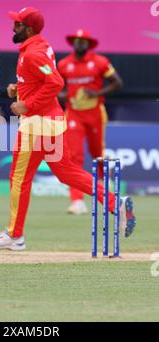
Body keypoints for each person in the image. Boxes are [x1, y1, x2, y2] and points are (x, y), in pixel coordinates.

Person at [0, 7, 135, 251]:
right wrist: (17, 89)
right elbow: (40, 80)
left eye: (17, 24)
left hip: (37, 124)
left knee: (19, 178)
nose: (13, 27)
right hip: (50, 122)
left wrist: (27, 104)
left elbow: (55, 82)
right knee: (67, 173)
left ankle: (15, 235)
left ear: (28, 29)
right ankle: (116, 203)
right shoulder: (38, 47)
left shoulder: (32, 53)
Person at [57, 29, 123, 215]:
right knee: (74, 156)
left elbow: (118, 83)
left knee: (97, 153)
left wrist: (97, 93)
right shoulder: (64, 64)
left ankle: (103, 185)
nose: (80, 44)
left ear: (88, 44)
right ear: (73, 43)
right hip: (74, 114)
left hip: (95, 113)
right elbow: (56, 87)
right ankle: (77, 201)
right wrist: (63, 95)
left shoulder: (100, 62)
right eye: (77, 41)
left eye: (83, 41)